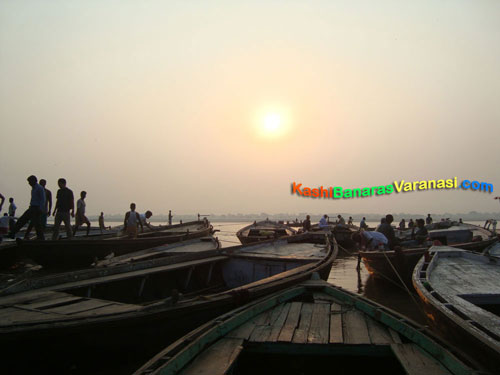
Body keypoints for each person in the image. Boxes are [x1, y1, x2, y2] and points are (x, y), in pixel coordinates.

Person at [9, 175, 45, 240]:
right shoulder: (33, 188)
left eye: (29, 182)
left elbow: (43, 199)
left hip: (36, 208)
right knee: (22, 220)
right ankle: (13, 233)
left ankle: (41, 238)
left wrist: (40, 208)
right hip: (32, 207)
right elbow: (33, 199)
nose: (29, 183)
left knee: (37, 224)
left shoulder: (39, 188)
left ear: (34, 181)